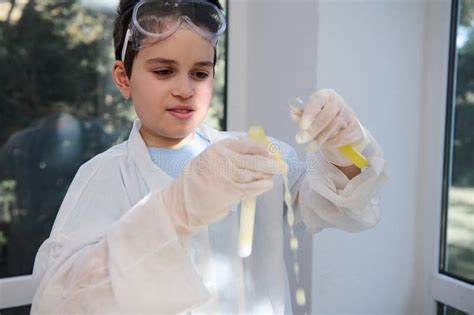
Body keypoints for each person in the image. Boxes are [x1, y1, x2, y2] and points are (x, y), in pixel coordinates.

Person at [31, 0, 387, 313]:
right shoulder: (104, 178)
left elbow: (338, 202)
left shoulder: (254, 155)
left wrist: (342, 145)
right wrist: (173, 212)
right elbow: (60, 303)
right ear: (123, 78)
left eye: (200, 73)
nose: (185, 89)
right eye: (163, 71)